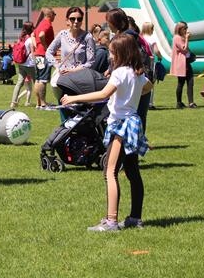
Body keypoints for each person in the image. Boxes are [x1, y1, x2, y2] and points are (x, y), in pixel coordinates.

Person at [61, 34, 151, 232]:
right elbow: (148, 87)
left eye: (112, 52)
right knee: (133, 172)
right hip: (133, 123)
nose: (110, 56)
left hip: (121, 127)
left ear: (122, 54)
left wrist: (74, 98)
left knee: (110, 172)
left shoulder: (119, 73)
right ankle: (135, 218)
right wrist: (131, 96)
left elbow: (103, 94)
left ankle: (111, 222)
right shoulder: (137, 73)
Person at [105, 8, 153, 132]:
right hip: (136, 80)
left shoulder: (127, 38)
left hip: (134, 80)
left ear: (117, 22)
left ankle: (136, 139)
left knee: (134, 116)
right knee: (135, 117)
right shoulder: (127, 36)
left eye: (109, 21)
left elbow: (129, 59)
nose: (108, 24)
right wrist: (110, 69)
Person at [46, 6, 95, 120]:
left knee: (79, 115)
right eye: (73, 19)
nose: (76, 21)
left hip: (81, 81)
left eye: (79, 19)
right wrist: (57, 66)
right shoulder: (62, 34)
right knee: (65, 113)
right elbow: (49, 52)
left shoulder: (88, 37)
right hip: (64, 81)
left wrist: (73, 70)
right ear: (67, 20)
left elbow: (91, 62)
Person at [33, 7, 56, 110]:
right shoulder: (47, 24)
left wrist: (37, 46)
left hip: (38, 55)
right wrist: (46, 48)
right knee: (43, 80)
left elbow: (33, 35)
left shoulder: (40, 24)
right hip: (43, 55)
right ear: (50, 14)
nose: (55, 16)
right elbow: (42, 35)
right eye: (54, 14)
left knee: (38, 79)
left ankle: (39, 103)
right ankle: (43, 104)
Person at [170, 21, 196, 109]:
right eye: (185, 28)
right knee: (182, 83)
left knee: (190, 82)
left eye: (186, 28)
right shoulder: (177, 38)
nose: (186, 30)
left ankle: (189, 102)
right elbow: (184, 49)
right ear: (180, 29)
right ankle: (179, 102)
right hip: (182, 63)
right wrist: (187, 38)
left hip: (185, 62)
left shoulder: (180, 37)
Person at [10, 22, 36, 110]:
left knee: (19, 83)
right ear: (31, 28)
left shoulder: (21, 38)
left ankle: (13, 102)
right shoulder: (30, 39)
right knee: (37, 82)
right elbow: (33, 53)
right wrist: (36, 63)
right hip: (29, 64)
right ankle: (40, 102)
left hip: (21, 64)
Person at [139, 22, 162, 109]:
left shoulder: (140, 38)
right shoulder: (151, 39)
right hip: (150, 63)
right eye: (152, 28)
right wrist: (160, 57)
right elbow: (156, 51)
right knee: (150, 82)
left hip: (141, 62)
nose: (153, 30)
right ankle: (150, 103)